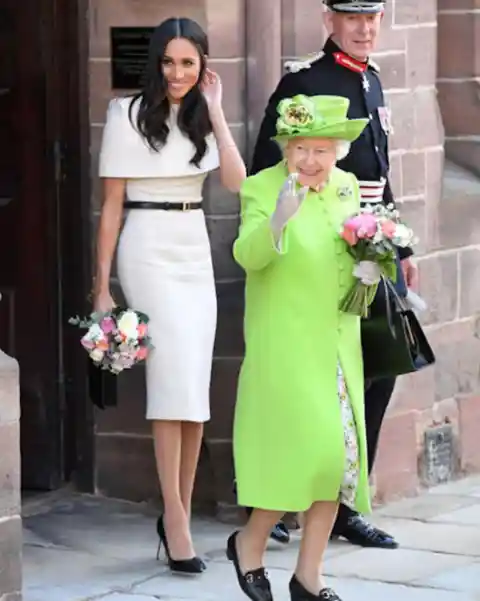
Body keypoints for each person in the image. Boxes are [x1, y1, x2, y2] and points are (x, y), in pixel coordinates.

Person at [247, 0, 418, 550]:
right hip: (313, 246)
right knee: (298, 381)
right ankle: (271, 502)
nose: (364, 28)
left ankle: (344, 502)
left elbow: (380, 173)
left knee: (378, 371)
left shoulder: (373, 82)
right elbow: (265, 168)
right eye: (352, 18)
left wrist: (399, 242)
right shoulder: (305, 81)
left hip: (369, 244)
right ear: (329, 21)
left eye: (372, 19)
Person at [94, 17, 245, 574]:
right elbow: (111, 206)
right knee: (169, 380)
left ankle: (175, 513)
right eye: (168, 61)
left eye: (188, 62)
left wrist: (221, 111)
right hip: (146, 247)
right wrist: (102, 287)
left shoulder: (205, 116)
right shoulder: (125, 115)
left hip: (192, 246)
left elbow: (235, 180)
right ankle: (176, 519)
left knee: (193, 388)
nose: (177, 73)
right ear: (155, 63)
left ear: (203, 65)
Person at [227, 93, 370, 601]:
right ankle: (250, 544)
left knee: (335, 463)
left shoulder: (347, 187)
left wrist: (373, 272)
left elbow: (355, 260)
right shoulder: (262, 188)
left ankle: (309, 577)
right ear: (285, 148)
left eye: (321, 150)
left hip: (336, 345)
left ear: (338, 151)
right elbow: (248, 257)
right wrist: (277, 221)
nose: (310, 161)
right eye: (299, 149)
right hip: (284, 345)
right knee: (296, 460)